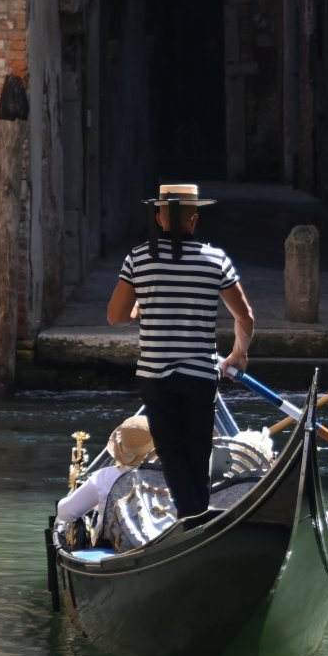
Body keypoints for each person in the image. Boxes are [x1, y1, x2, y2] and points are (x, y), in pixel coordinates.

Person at [106, 183, 255, 523]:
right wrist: (238, 355)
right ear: (193, 219)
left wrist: (142, 308)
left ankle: (192, 519)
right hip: (200, 374)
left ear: (160, 218)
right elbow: (244, 317)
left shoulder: (138, 258)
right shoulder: (216, 259)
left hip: (155, 374)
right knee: (198, 450)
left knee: (172, 452)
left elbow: (115, 317)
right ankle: (198, 518)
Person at [56, 415, 154, 545]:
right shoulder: (172, 477)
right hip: (160, 544)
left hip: (113, 547)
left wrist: (99, 505)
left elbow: (65, 513)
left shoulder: (104, 477)